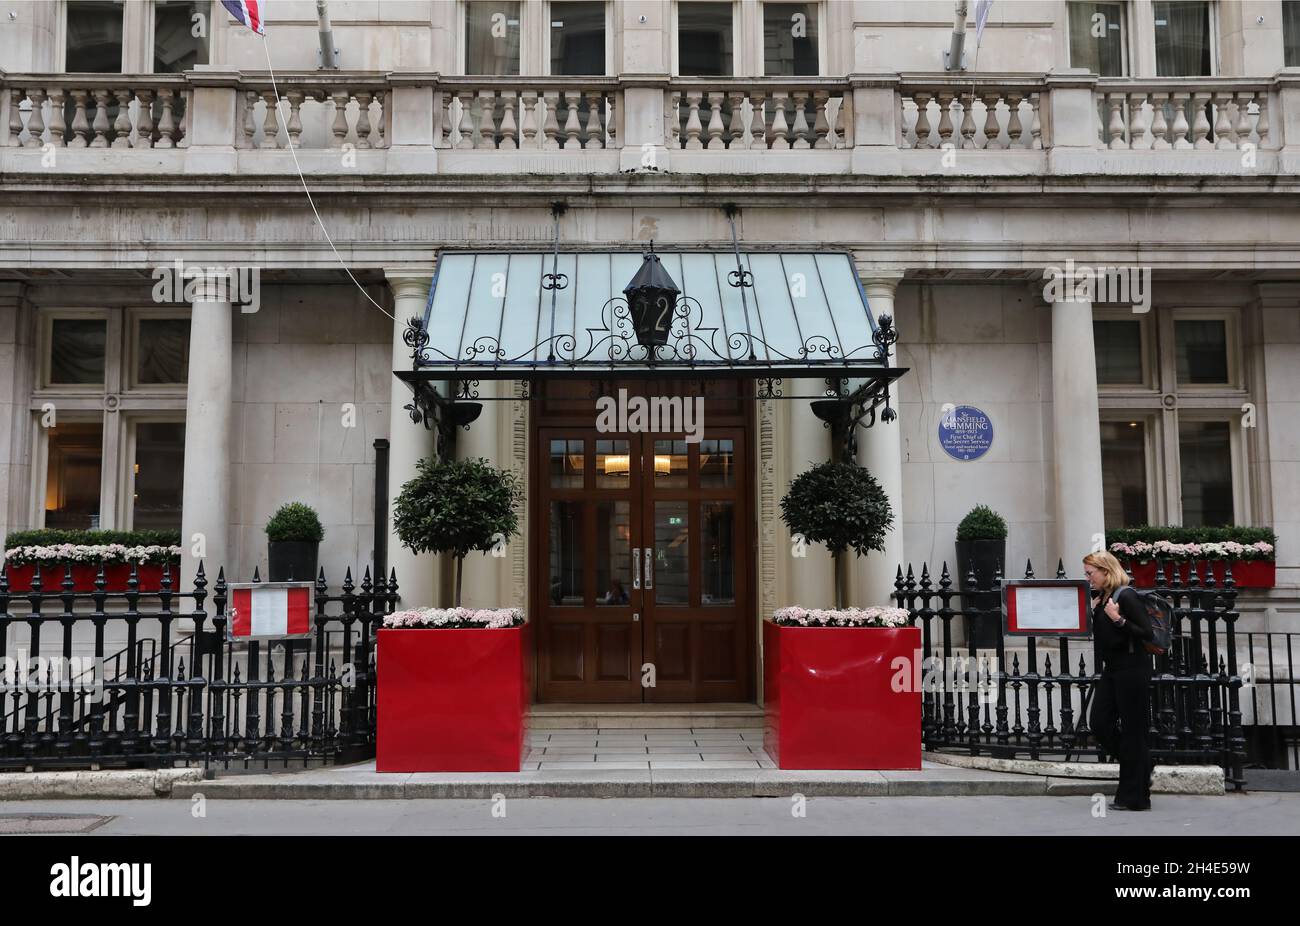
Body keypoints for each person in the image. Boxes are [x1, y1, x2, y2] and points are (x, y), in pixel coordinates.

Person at [1084, 550, 1155, 811]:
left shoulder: (1126, 595)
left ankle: (1134, 797)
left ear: (1106, 570)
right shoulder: (1101, 599)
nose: (1088, 578)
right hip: (1112, 670)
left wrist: (1119, 619)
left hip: (1132, 669)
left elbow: (1146, 633)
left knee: (1134, 733)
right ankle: (1142, 764)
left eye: (1090, 573)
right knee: (1099, 724)